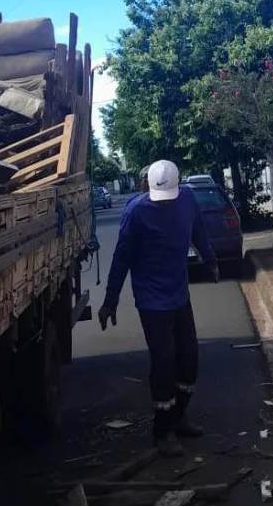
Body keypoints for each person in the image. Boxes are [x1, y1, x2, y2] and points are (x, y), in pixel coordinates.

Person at [99, 160, 220, 456]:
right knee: (164, 362)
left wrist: (211, 260)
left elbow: (199, 232)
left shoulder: (188, 199)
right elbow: (121, 257)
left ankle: (179, 417)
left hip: (179, 295)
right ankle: (162, 431)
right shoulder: (136, 211)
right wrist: (110, 299)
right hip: (152, 301)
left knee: (189, 359)